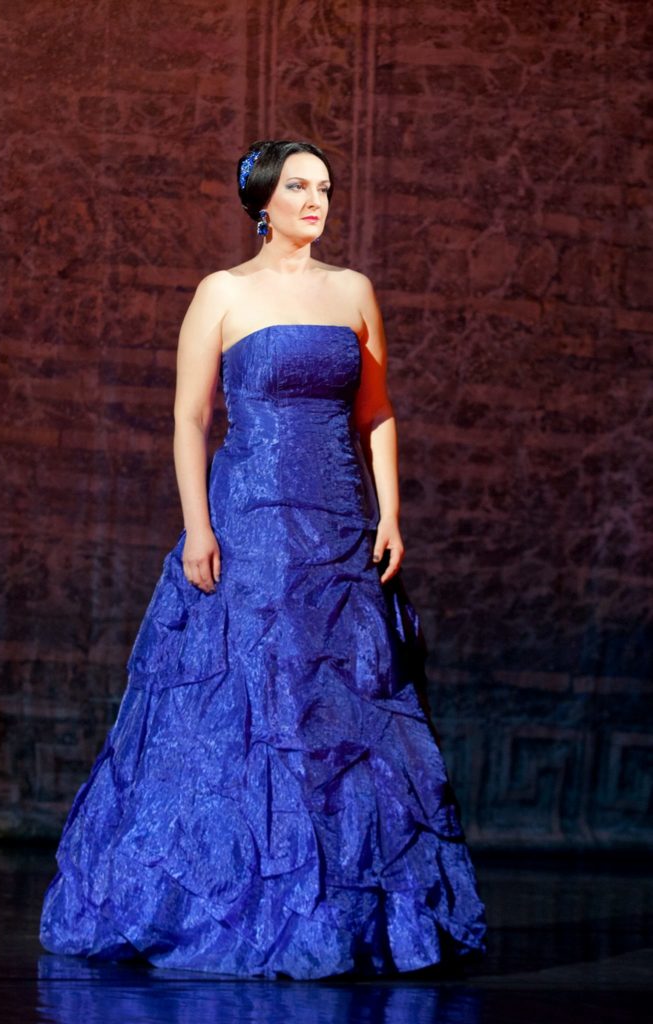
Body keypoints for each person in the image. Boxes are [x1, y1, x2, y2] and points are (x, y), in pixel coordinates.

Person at [39, 139, 488, 980]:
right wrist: (197, 527)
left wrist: (390, 511)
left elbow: (376, 411)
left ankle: (347, 911)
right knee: (244, 700)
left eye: (324, 187)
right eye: (298, 186)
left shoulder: (352, 290)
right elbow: (190, 417)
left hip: (338, 522)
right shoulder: (223, 292)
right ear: (263, 201)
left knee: (344, 708)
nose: (316, 200)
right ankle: (230, 899)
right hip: (249, 520)